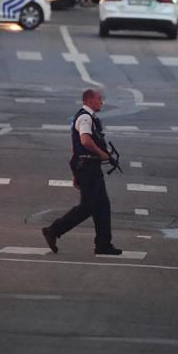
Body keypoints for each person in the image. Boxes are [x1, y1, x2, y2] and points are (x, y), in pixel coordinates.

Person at [41, 89, 122, 256]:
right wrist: (101, 154)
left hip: (87, 167)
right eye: (99, 99)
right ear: (90, 100)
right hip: (88, 168)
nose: (102, 102)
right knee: (88, 207)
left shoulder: (89, 117)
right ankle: (53, 230)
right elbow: (85, 141)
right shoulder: (85, 117)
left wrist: (76, 173)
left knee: (102, 206)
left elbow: (75, 147)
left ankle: (103, 244)